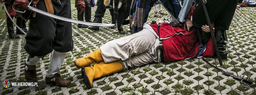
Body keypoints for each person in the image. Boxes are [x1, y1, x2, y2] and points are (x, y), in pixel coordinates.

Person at [74, 22, 214, 88]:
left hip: (158, 55)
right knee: (126, 46)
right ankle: (88, 59)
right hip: (155, 35)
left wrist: (212, 31)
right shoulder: (190, 16)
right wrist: (189, 18)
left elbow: (210, 52)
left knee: (127, 63)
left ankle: (93, 71)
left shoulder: (202, 46)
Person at [174, 0, 250, 59]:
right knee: (223, 19)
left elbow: (188, 0)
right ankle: (221, 51)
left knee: (198, 18)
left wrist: (180, 19)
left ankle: (205, 42)